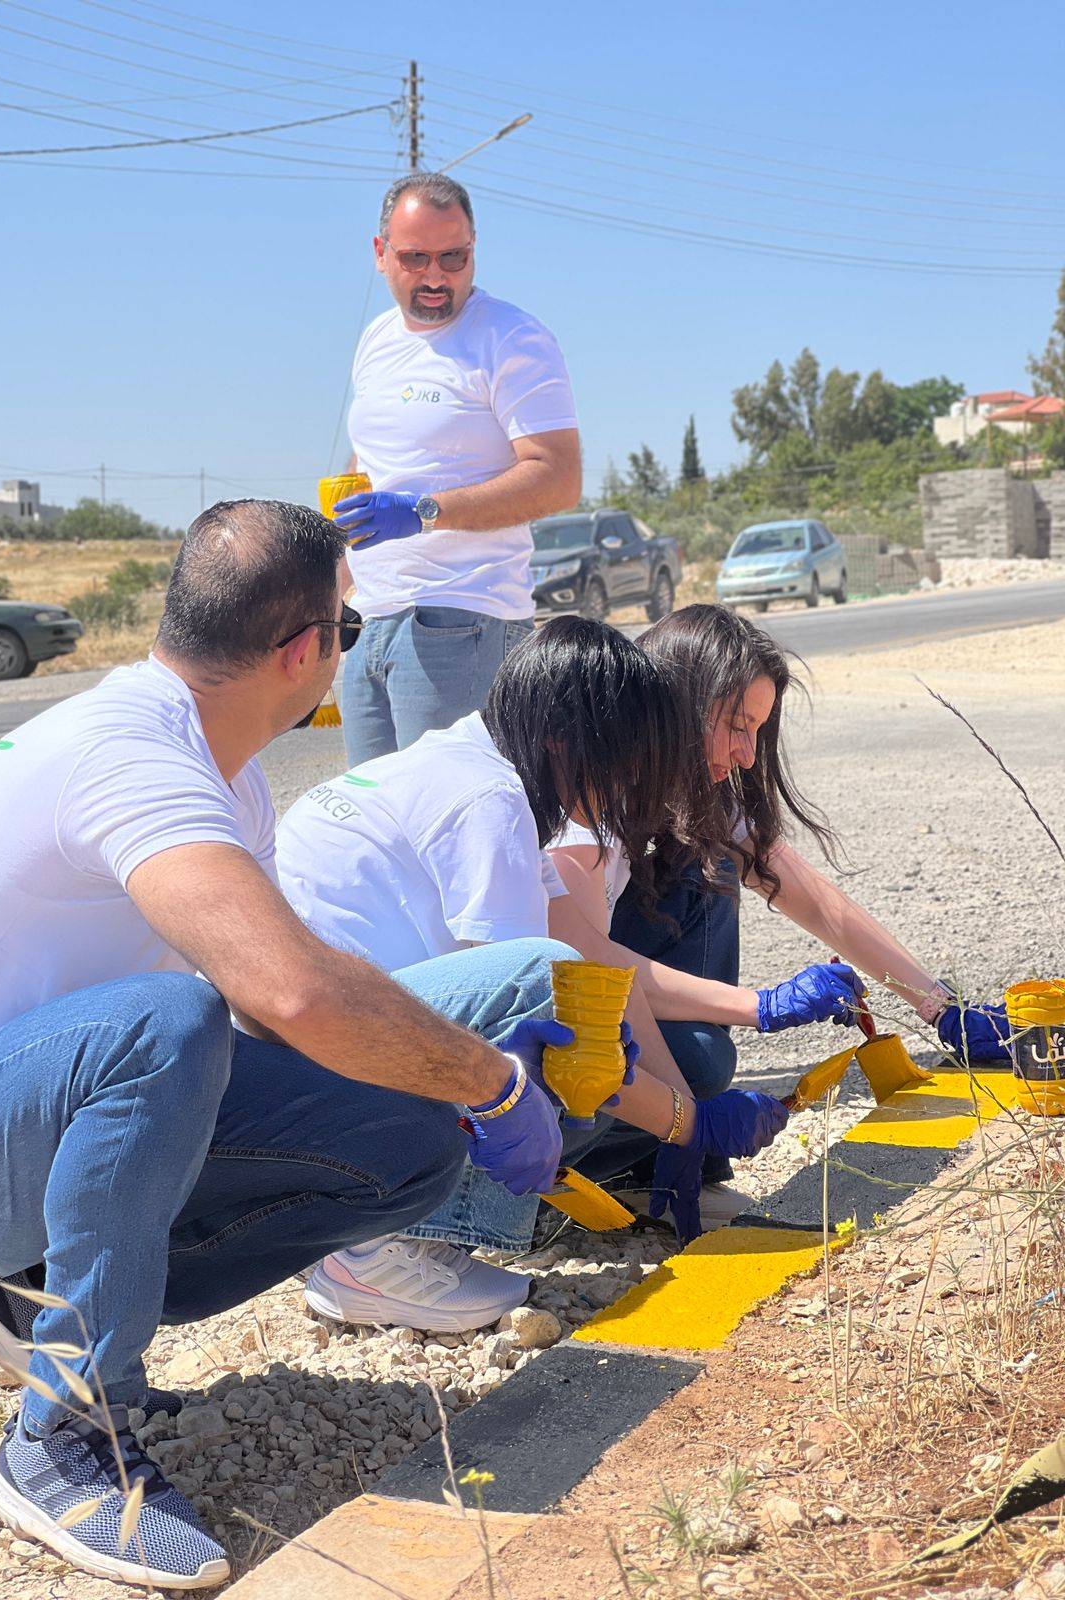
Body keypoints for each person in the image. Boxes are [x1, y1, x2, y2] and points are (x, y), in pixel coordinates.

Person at [0, 500, 578, 1591]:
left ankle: (57, 1291)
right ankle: (66, 1433)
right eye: (348, 630)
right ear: (305, 651)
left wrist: (439, 1079)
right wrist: (493, 1081)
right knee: (166, 1027)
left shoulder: (224, 773)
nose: (346, 653)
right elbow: (286, 989)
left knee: (405, 1140)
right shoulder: (131, 754)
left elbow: (286, 1002)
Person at [276, 616, 788, 1327]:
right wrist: (689, 1123)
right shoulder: (488, 801)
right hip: (325, 1089)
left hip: (296, 1058)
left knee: (575, 1014)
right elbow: (547, 1008)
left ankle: (388, 1221)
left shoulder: (465, 761)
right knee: (553, 1048)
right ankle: (379, 1247)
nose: (627, 786)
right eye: (623, 761)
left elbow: (597, 963)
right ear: (566, 739)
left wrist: (683, 1117)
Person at [546, 603, 1012, 1232]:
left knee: (710, 861)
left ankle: (660, 1157)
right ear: (680, 704)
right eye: (736, 726)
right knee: (704, 1061)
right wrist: (757, 1012)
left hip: (612, 1010)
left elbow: (814, 898)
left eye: (757, 732)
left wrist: (940, 1008)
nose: (746, 755)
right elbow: (586, 968)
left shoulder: (694, 796)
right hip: (554, 1043)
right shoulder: (588, 806)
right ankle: (600, 1169)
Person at [331, 171, 582, 765]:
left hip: (464, 619)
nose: (436, 276)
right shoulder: (377, 341)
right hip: (370, 620)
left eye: (453, 257)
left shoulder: (511, 338)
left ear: (474, 248)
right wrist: (330, 583)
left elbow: (558, 477)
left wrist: (423, 513)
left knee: (447, 813)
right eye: (415, 258)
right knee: (377, 815)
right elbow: (370, 459)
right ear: (380, 253)